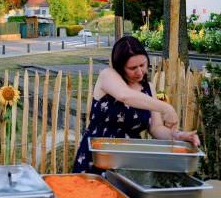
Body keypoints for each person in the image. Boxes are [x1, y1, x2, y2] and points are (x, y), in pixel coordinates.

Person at [73, 36, 200, 174]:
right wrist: (167, 108)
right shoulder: (107, 76)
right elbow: (124, 95)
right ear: (120, 67)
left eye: (143, 65)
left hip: (129, 161)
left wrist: (177, 136)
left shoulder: (149, 88)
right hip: (97, 158)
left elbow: (156, 128)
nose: (140, 72)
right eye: (133, 68)